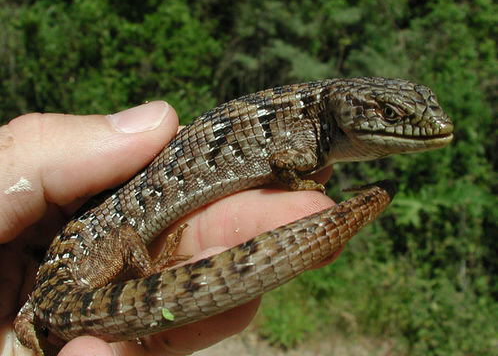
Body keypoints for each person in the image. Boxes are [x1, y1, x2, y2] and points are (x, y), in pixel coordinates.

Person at [0, 101, 339, 355]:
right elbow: (122, 236)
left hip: (46, 295)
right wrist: (149, 273)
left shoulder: (36, 299)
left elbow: (28, 315)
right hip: (65, 281)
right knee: (124, 238)